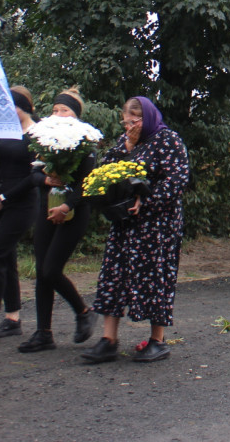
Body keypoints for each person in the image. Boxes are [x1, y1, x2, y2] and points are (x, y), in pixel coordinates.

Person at [82, 97, 191, 364]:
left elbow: (178, 178)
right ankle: (109, 340)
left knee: (156, 277)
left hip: (158, 224)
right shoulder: (127, 141)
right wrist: (127, 147)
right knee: (114, 274)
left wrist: (148, 200)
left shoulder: (167, 139)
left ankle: (157, 340)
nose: (129, 126)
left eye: (134, 121)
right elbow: (105, 169)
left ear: (147, 118)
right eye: (126, 122)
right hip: (125, 222)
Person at [17, 87, 98, 353]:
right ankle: (43, 333)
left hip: (73, 212)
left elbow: (87, 185)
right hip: (47, 210)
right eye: (55, 110)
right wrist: (46, 179)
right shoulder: (43, 140)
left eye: (65, 110)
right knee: (41, 272)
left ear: (76, 115)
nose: (58, 114)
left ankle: (84, 311)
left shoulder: (86, 143)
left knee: (52, 269)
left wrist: (66, 204)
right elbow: (33, 177)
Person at [0, 86, 39, 344]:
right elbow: (0, 168)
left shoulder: (38, 134)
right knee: (6, 260)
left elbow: (35, 176)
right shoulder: (5, 131)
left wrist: (4, 198)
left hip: (20, 204)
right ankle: (12, 319)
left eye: (9, 107)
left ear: (22, 107)